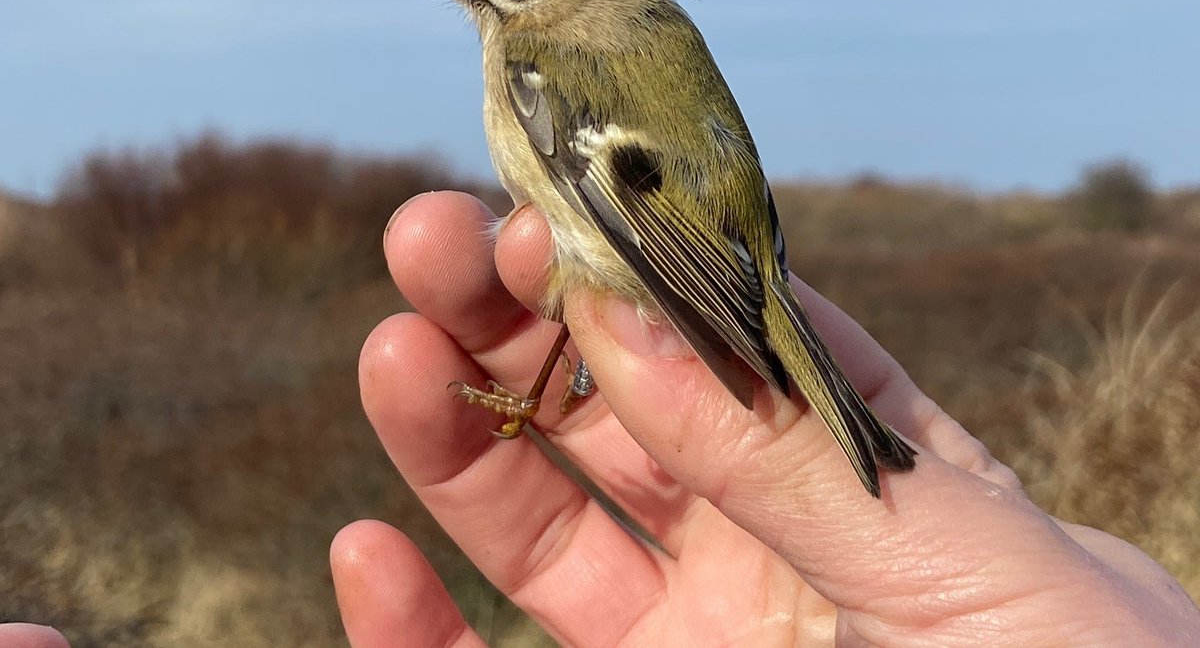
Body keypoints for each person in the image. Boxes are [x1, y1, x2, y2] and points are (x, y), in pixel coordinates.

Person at [326, 192, 1200, 646]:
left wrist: (715, 328)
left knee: (571, 297)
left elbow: (639, 227)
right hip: (728, 259)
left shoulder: (544, 65)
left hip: (678, 268)